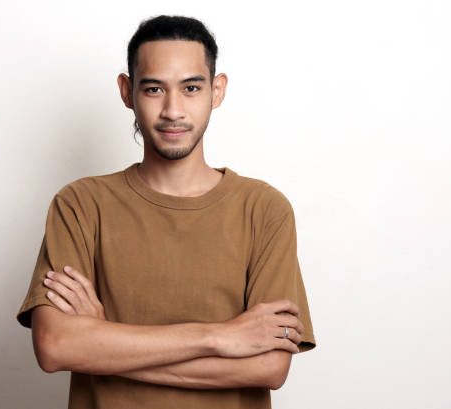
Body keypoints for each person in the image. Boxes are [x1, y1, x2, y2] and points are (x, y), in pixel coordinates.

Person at [16, 14, 316, 409]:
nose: (173, 110)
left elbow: (269, 367)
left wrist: (103, 340)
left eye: (191, 88)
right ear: (127, 92)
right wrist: (218, 337)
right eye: (154, 88)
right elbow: (56, 346)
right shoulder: (81, 205)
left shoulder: (264, 210)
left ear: (217, 90)